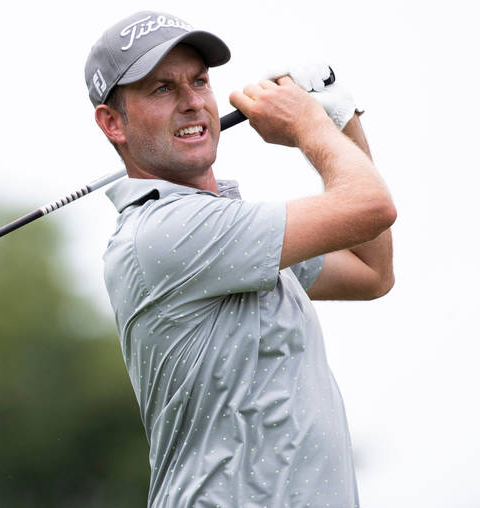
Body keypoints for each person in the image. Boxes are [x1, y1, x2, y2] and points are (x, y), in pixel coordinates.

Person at [85, 11, 395, 508]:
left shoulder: (229, 232)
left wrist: (339, 118)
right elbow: (371, 206)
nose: (191, 103)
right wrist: (310, 126)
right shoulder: (165, 232)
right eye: (162, 89)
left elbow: (370, 271)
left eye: (200, 82)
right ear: (112, 122)